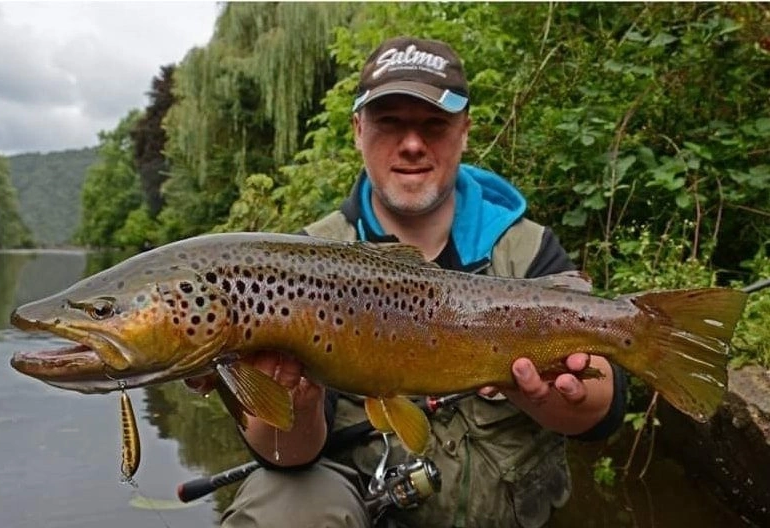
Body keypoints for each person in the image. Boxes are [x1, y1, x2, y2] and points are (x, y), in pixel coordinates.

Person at [189, 36, 627, 528]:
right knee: (280, 501)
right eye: (389, 123)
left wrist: (562, 402)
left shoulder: (525, 249)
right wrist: (291, 402)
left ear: (464, 131)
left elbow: (604, 411)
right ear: (358, 129)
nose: (413, 143)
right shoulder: (301, 264)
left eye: (434, 125)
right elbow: (288, 457)